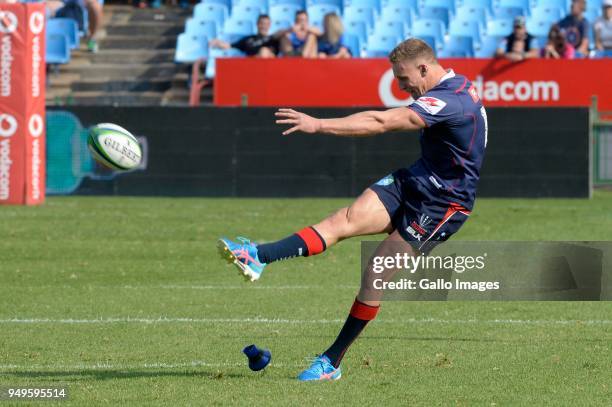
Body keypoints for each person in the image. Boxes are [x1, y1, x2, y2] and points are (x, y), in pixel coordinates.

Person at [218, 38, 488, 381]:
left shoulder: (453, 100)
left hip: (443, 205)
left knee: (376, 273)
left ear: (424, 68)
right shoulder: (455, 87)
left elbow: (381, 122)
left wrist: (318, 125)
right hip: (416, 180)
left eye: (404, 79)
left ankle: (331, 361)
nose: (402, 87)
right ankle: (258, 256)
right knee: (344, 220)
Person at [209, 14, 279, 58]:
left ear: (270, 25)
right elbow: (229, 46)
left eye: (266, 24)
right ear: (257, 24)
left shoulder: (273, 39)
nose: (264, 26)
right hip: (250, 68)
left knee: (264, 51)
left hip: (268, 70)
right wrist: (217, 42)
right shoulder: (248, 39)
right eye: (262, 23)